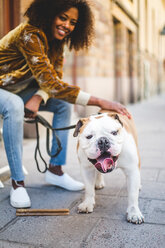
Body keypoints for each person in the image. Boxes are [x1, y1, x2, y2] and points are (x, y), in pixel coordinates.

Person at [0, 0, 131, 208]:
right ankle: (18, 182)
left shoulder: (57, 43)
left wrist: (37, 98)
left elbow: (55, 79)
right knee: (15, 104)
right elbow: (51, 82)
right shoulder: (30, 34)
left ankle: (55, 170)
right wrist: (100, 100)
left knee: (62, 104)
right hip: (4, 90)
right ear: (49, 14)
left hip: (16, 90)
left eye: (73, 22)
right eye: (63, 17)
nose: (67, 25)